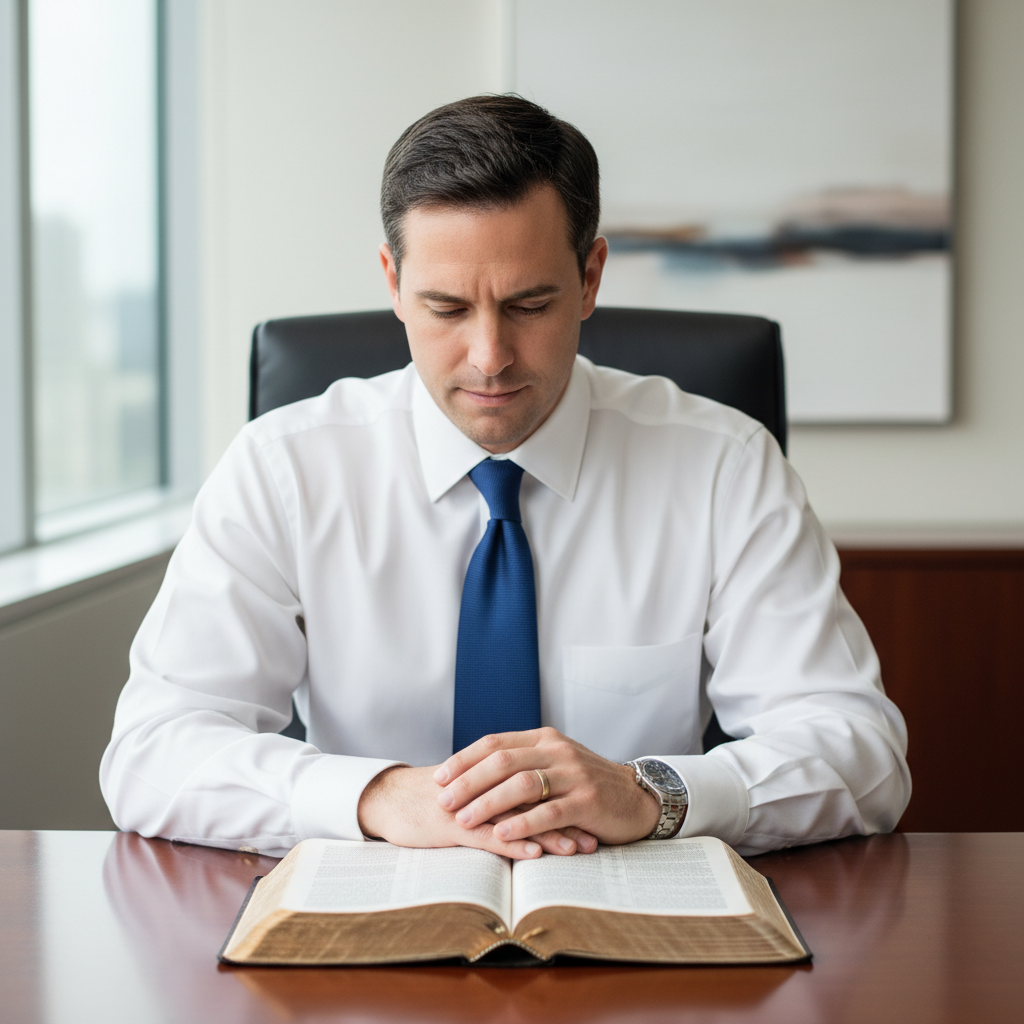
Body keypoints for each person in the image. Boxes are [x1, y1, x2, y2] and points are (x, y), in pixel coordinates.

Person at [100, 96, 910, 861]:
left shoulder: (723, 465)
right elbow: (150, 752)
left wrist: (650, 792)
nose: (489, 358)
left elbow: (862, 753)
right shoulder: (283, 468)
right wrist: (381, 797)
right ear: (392, 282)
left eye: (528, 305)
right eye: (447, 308)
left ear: (590, 278)